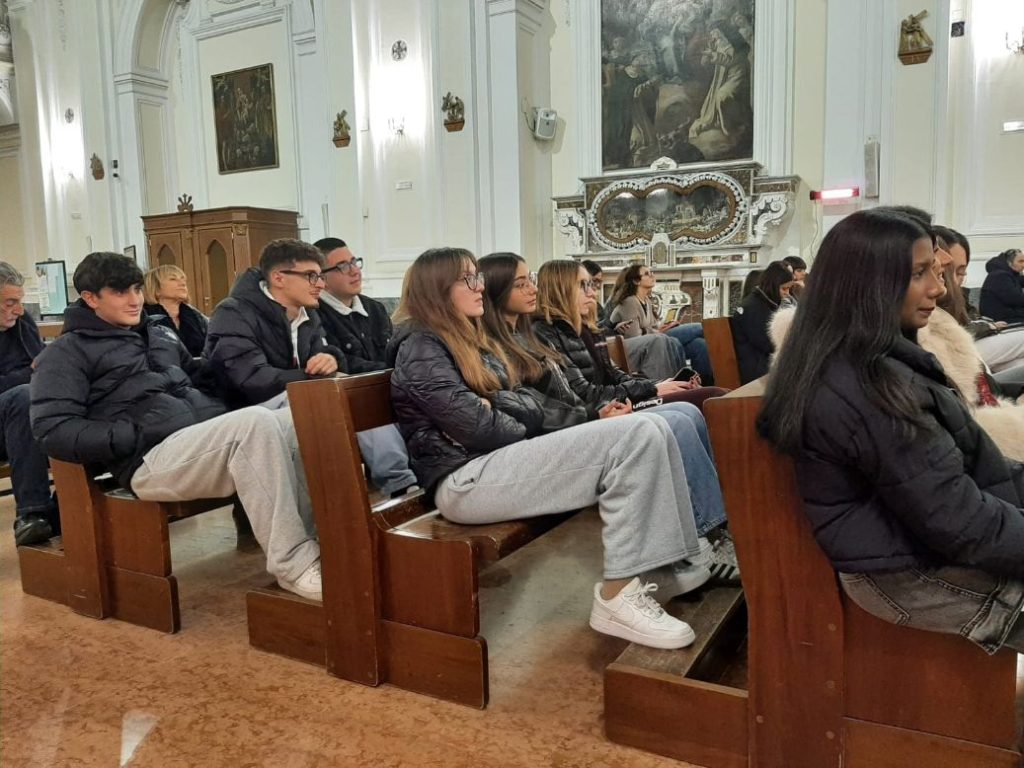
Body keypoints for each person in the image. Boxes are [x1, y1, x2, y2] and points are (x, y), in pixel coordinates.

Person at [388, 247, 710, 650]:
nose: (479, 286)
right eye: (468, 278)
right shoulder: (421, 345)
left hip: (492, 463)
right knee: (635, 435)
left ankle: (666, 562)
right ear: (438, 289)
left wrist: (501, 405)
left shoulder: (467, 338)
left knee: (649, 425)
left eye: (478, 277)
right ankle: (617, 598)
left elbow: (520, 403)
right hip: (463, 480)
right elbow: (480, 427)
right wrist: (506, 409)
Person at [757, 209, 1024, 655]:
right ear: (869, 284)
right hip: (903, 576)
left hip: (911, 543)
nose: (939, 290)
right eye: (921, 274)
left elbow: (972, 469)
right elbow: (957, 521)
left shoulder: (880, 355)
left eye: (937, 273)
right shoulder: (866, 386)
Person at [30, 253, 322, 599]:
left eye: (137, 289)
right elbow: (53, 429)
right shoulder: (66, 352)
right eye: (120, 292)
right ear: (90, 298)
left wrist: (233, 367)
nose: (135, 299)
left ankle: (318, 546)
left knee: (297, 415)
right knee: (255, 424)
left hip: (196, 444)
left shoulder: (159, 335)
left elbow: (204, 380)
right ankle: (294, 566)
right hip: (148, 461)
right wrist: (134, 434)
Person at [481, 254, 738, 582]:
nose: (592, 292)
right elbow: (554, 401)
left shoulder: (542, 335)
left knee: (687, 411)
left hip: (588, 417)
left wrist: (645, 390)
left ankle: (712, 530)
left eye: (530, 279)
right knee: (675, 419)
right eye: (583, 285)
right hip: (566, 433)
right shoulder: (538, 334)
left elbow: (588, 387)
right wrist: (603, 411)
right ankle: (699, 538)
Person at [205, 239, 417, 497]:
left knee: (357, 392)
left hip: (295, 397)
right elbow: (250, 380)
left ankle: (403, 485)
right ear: (279, 277)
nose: (320, 284)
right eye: (311, 276)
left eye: (319, 276)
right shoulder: (234, 313)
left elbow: (322, 352)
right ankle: (344, 506)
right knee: (332, 400)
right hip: (246, 412)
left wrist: (330, 358)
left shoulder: (308, 314)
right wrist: (310, 378)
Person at [312, 236, 418, 497]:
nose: (354, 270)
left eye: (354, 262)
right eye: (342, 266)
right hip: (353, 392)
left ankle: (431, 471)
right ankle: (401, 485)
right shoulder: (316, 313)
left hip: (387, 384)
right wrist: (390, 371)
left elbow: (393, 350)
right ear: (322, 278)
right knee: (366, 406)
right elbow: (343, 364)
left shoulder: (374, 308)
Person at [0, 262, 59, 545]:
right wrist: (27, 376)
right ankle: (32, 514)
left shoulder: (22, 323)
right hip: (10, 417)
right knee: (23, 396)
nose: (19, 309)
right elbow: (31, 374)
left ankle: (64, 508)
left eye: (20, 301)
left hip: (29, 416)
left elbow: (42, 368)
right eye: (10, 302)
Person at [608, 264, 714, 383]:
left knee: (699, 345)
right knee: (699, 328)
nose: (652, 276)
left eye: (651, 272)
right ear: (636, 281)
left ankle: (706, 384)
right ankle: (721, 338)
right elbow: (635, 336)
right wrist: (658, 330)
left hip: (657, 336)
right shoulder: (630, 302)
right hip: (645, 344)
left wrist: (662, 327)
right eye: (647, 274)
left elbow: (651, 327)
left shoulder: (646, 301)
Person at [730, 260, 795, 383]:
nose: (787, 294)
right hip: (756, 369)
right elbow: (768, 343)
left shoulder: (765, 302)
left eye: (789, 289)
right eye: (784, 289)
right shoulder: (752, 307)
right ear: (773, 285)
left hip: (764, 363)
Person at [142, 265, 209, 357]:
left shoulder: (197, 316)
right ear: (156, 288)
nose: (182, 283)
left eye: (183, 279)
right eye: (173, 279)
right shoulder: (143, 318)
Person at [979, 248, 1024, 324]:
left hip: (1007, 316)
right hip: (1002, 320)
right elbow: (1015, 299)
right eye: (1020, 261)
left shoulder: (1006, 274)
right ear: (1009, 263)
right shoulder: (1000, 276)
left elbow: (1020, 280)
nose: (1023, 265)